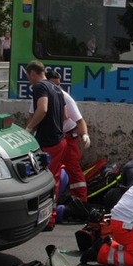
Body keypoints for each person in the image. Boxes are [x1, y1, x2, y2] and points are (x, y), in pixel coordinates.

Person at [23, 60, 66, 227]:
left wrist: (30, 128)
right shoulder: (57, 88)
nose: (29, 80)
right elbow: (64, 115)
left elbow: (42, 109)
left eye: (29, 77)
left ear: (33, 73)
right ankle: (50, 216)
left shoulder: (40, 87)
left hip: (49, 141)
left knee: (45, 182)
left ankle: (49, 219)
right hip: (59, 140)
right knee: (52, 179)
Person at [46, 67, 90, 203]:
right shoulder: (41, 95)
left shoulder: (65, 97)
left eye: (58, 84)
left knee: (74, 169)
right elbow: (34, 115)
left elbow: (79, 120)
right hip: (52, 138)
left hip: (68, 137)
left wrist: (85, 135)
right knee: (51, 171)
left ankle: (81, 201)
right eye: (54, 84)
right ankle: (51, 201)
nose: (57, 87)